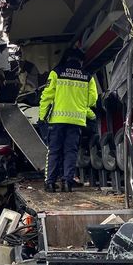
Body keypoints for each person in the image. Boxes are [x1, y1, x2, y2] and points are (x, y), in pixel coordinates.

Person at [39, 47, 97, 192]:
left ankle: (50, 183)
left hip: (57, 121)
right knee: (71, 152)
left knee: (53, 151)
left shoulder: (57, 72)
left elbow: (47, 96)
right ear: (81, 61)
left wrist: (42, 116)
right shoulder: (88, 76)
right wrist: (82, 109)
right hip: (76, 121)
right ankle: (67, 183)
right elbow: (92, 100)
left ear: (67, 58)